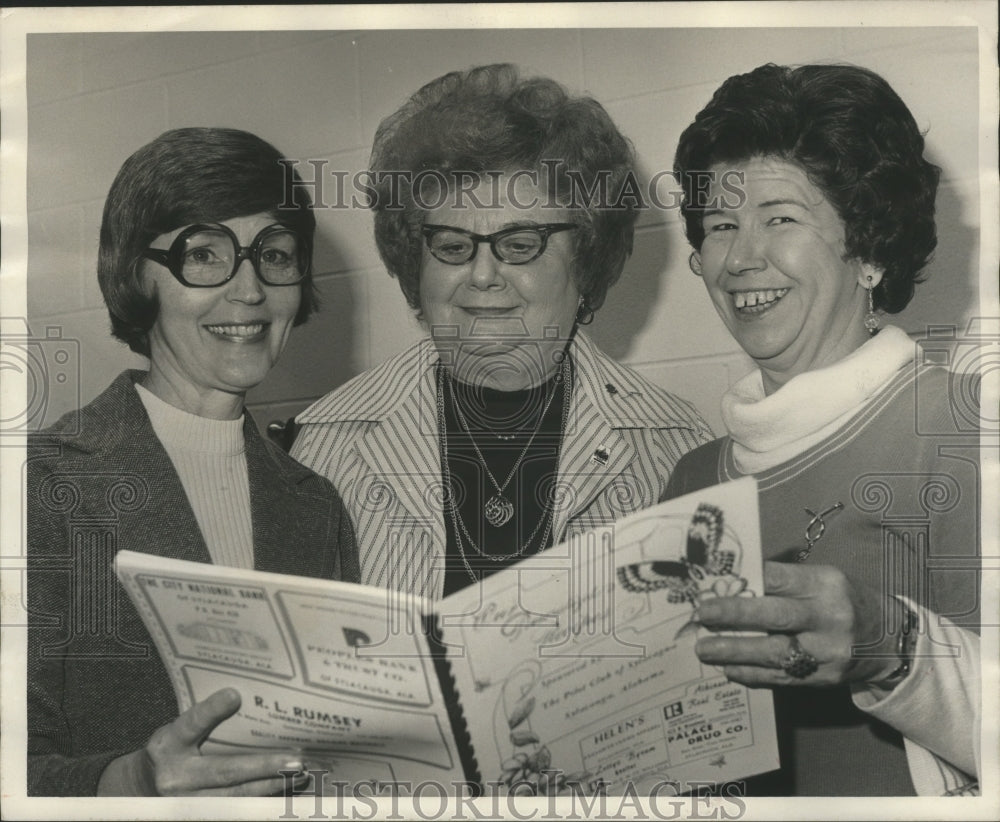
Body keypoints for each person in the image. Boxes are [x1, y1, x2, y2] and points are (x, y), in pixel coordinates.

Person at [665, 63, 980, 795]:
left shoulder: (961, 431)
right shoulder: (690, 478)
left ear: (869, 251)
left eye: (780, 217)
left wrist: (888, 647)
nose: (741, 258)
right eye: (720, 226)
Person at [293, 64, 713, 599]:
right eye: (450, 245)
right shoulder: (328, 443)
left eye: (520, 245)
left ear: (585, 260)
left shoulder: (675, 445)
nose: (484, 275)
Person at [27, 128, 360, 796]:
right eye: (203, 255)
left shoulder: (317, 505)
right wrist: (134, 782)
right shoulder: (43, 484)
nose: (249, 291)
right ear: (135, 275)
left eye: (275, 255)